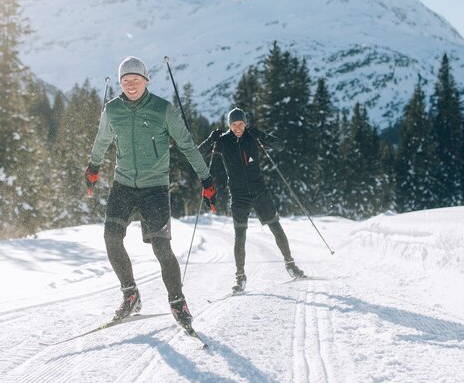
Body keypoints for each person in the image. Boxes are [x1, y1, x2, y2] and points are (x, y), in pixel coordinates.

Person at [85, 56, 217, 330]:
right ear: (120, 83)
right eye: (125, 81)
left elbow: (187, 145)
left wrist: (206, 179)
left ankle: (178, 302)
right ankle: (130, 294)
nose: (131, 85)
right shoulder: (112, 110)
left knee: (161, 247)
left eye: (136, 80)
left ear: (146, 81)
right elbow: (101, 141)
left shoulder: (163, 110)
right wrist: (93, 168)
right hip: (123, 185)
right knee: (111, 238)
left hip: (155, 188)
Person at [199, 107, 305, 294]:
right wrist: (211, 139)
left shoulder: (252, 137)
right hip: (238, 195)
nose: (238, 127)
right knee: (240, 236)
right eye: (234, 124)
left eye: (241, 124)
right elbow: (197, 155)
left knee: (275, 227)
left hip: (260, 192)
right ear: (229, 125)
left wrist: (261, 135)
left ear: (246, 124)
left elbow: (280, 146)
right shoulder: (223, 142)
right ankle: (240, 277)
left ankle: (290, 264)